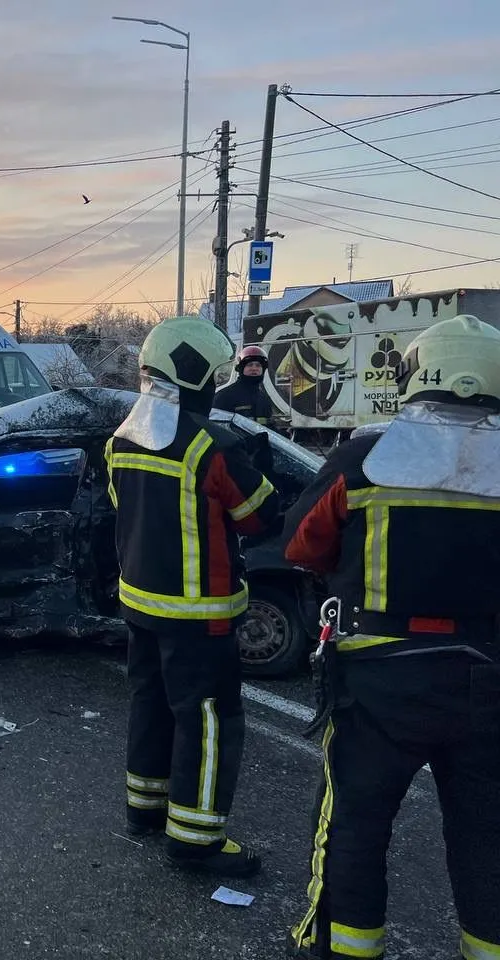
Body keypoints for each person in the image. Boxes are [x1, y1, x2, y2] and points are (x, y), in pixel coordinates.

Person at [284, 314, 500, 960]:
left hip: (379, 686)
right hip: (488, 684)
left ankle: (346, 952)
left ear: (415, 375)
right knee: (488, 839)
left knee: (354, 827)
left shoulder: (365, 459)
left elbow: (301, 546)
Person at [104, 315, 280, 879]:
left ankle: (145, 809)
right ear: (198, 374)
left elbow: (122, 506)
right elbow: (260, 519)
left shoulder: (120, 438)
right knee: (207, 719)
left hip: (139, 604)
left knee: (149, 704)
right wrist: (261, 464)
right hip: (200, 615)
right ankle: (197, 838)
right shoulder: (211, 446)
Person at [213, 344, 274, 425]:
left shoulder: (264, 398)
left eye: (258, 365)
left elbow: (269, 426)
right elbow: (215, 428)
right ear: (241, 369)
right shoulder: (224, 397)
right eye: (250, 365)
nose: (254, 368)